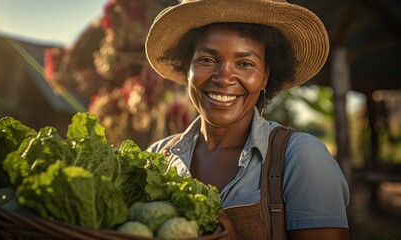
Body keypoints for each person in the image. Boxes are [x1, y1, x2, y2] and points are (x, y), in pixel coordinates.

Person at [145, 0, 350, 239]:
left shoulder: (301, 157)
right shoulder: (158, 157)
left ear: (265, 77)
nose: (223, 78)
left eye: (245, 64)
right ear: (187, 67)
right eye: (207, 60)